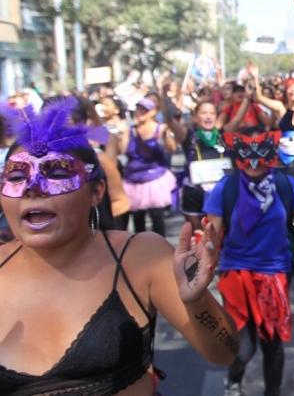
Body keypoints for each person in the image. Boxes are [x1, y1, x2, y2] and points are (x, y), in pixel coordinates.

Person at [0, 98, 237, 394]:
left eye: (57, 173)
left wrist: (197, 301)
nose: (33, 188)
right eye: (17, 176)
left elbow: (225, 353)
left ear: (97, 192)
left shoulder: (141, 256)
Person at [203, 126, 294, 396]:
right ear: (236, 153)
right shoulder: (227, 187)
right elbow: (213, 233)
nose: (254, 161)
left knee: (271, 342)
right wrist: (203, 250)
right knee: (243, 348)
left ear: (272, 152)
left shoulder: (286, 184)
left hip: (274, 274)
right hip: (236, 274)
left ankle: (272, 392)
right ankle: (233, 380)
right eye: (246, 153)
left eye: (260, 152)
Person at [164, 101, 230, 231]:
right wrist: (162, 94)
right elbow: (168, 119)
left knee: (220, 235)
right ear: (195, 117)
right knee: (198, 235)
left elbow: (238, 118)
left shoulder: (223, 135)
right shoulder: (187, 135)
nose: (208, 116)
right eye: (204, 113)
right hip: (195, 193)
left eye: (211, 113)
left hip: (220, 192)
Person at [120, 98, 177, 236]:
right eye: (138, 109)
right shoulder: (130, 130)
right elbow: (122, 150)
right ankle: (142, 252)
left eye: (144, 110)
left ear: (153, 112)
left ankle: (160, 251)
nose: (140, 113)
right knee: (138, 220)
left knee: (157, 218)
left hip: (154, 178)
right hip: (133, 180)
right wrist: (124, 133)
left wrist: (166, 136)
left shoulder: (161, 128)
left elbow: (172, 148)